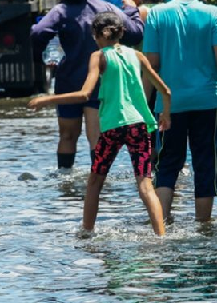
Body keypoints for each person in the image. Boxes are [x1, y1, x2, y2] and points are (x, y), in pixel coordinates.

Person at [29, 12, 172, 235]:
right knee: (145, 184)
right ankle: (161, 236)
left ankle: (87, 232)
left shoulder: (98, 56)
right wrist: (166, 115)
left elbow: (85, 94)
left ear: (96, 36)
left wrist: (47, 99)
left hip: (113, 127)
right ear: (122, 32)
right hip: (139, 126)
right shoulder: (137, 55)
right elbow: (166, 91)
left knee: (95, 180)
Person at [143, 0, 217, 222]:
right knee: (205, 164)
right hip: (207, 102)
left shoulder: (157, 14)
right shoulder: (213, 13)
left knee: (167, 164)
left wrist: (147, 105)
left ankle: (162, 226)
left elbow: (152, 64)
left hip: (168, 105)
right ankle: (204, 227)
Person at [31, 0, 144, 170]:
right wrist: (132, 10)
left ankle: (65, 187)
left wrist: (39, 59)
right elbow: (135, 33)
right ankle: (99, 186)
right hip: (101, 84)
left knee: (67, 136)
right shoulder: (107, 8)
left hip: (68, 82)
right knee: (97, 139)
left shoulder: (62, 10)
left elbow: (38, 32)